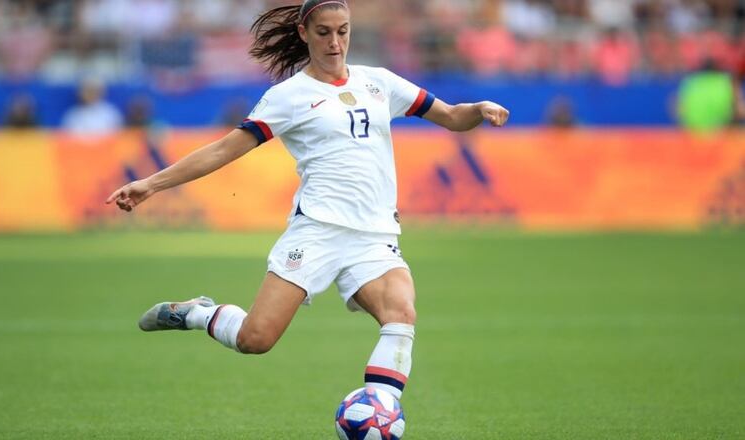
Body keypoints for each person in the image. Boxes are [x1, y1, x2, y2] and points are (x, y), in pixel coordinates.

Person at [105, 0, 509, 402]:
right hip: (317, 230)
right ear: (303, 33)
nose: (335, 43)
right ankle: (196, 312)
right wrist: (152, 184)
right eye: (324, 32)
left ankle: (379, 413)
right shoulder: (289, 96)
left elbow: (452, 117)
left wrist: (478, 109)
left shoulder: (379, 82)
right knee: (255, 339)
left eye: (343, 31)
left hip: (374, 234)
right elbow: (223, 150)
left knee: (401, 315)